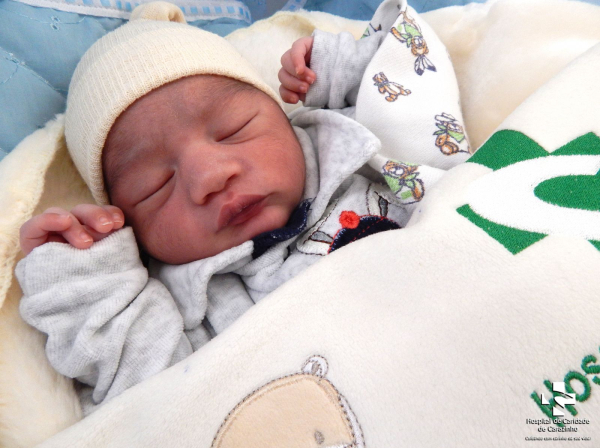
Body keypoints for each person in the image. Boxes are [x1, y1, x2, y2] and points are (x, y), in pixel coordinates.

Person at [16, 0, 468, 415]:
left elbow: (419, 89)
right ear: (131, 224)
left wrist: (339, 72)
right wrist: (89, 278)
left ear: (285, 121)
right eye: (156, 185)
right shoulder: (181, 311)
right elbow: (156, 408)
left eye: (234, 129)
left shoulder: (358, 149)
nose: (209, 176)